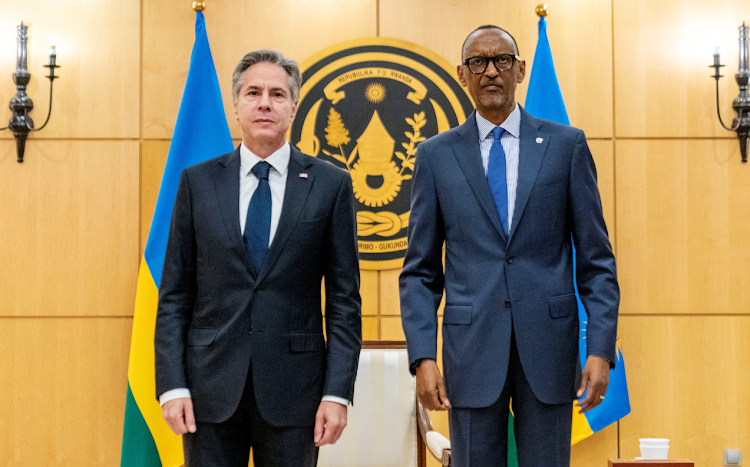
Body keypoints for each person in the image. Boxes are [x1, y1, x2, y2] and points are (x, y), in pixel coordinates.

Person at [399, 25, 619, 467]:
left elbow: (596, 261)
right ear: (463, 75)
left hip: (550, 350)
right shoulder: (435, 155)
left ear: (520, 69)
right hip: (471, 350)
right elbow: (420, 272)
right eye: (478, 62)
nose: (491, 71)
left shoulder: (566, 146)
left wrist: (600, 349)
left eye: (502, 60)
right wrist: (422, 356)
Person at [154, 49, 362, 467]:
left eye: (277, 94)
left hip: (295, 393)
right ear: (236, 105)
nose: (265, 102)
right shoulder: (197, 183)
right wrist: (172, 385)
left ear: (293, 107)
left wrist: (336, 393)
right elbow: (175, 294)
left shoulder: (330, 185)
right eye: (253, 93)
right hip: (208, 392)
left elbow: (343, 302)